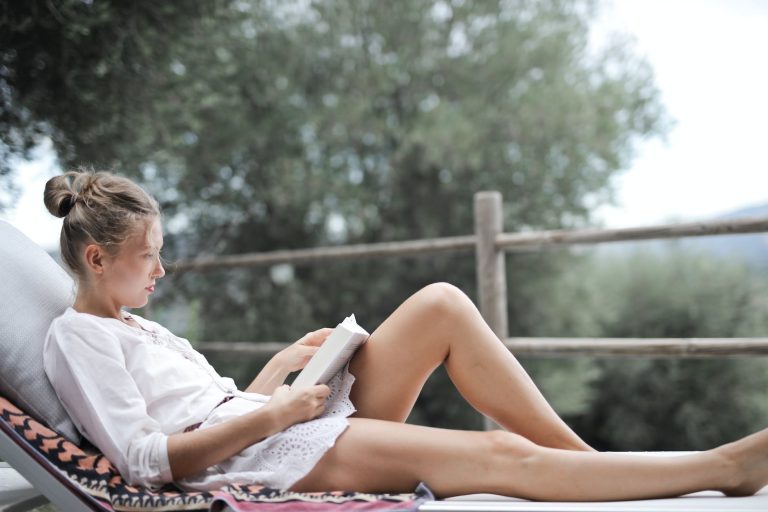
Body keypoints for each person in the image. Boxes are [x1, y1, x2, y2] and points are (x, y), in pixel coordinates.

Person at [41, 169, 768, 501]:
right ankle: (723, 468)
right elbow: (145, 461)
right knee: (497, 453)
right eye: (148, 257)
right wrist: (277, 413)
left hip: (267, 424)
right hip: (264, 455)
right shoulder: (79, 339)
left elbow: (212, 403)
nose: (162, 269)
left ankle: (594, 472)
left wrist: (280, 370)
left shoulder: (136, 324)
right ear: (98, 258)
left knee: (442, 304)